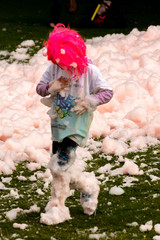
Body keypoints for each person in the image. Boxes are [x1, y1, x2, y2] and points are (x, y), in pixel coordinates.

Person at [36, 23, 113, 225]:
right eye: (59, 62)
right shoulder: (54, 68)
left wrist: (90, 101)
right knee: (57, 166)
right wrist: (52, 86)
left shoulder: (90, 71)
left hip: (77, 125)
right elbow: (40, 88)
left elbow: (107, 92)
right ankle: (77, 192)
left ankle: (67, 199)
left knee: (60, 164)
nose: (63, 67)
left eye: (66, 63)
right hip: (58, 125)